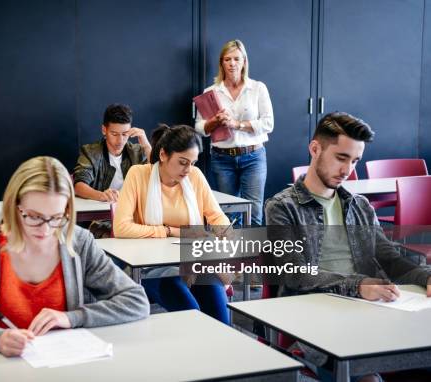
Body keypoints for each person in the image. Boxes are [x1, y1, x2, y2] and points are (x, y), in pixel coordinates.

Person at [0, 156, 149, 357]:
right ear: (14, 205)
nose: (45, 229)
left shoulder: (78, 241)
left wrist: (73, 317)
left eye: (56, 217)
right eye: (33, 217)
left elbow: (136, 301)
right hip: (0, 366)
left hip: (65, 362)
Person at [265, 112, 431, 382]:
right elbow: (295, 273)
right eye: (341, 158)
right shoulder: (282, 207)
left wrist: (425, 277)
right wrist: (357, 285)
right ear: (315, 148)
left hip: (372, 310)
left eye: (355, 161)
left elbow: (389, 257)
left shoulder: (360, 206)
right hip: (314, 319)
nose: (348, 170)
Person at [113, 124, 232, 325]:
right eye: (183, 162)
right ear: (163, 155)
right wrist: (171, 231)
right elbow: (121, 227)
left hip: (194, 263)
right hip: (152, 266)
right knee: (193, 315)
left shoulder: (194, 176)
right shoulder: (138, 174)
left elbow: (219, 219)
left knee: (221, 320)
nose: (188, 170)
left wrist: (220, 234)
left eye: (193, 163)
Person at [195, 39, 273, 226]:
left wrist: (236, 124)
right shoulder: (211, 92)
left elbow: (268, 124)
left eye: (237, 59)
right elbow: (199, 127)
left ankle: (253, 256)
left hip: (253, 156)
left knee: (254, 213)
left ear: (244, 61)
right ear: (221, 63)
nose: (232, 64)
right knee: (228, 215)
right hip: (222, 159)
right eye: (227, 59)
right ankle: (233, 256)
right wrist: (214, 122)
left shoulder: (258, 88)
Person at [73, 103, 151, 203]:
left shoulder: (137, 152)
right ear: (104, 130)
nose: (120, 140)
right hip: (100, 213)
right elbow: (79, 186)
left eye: (124, 134)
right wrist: (101, 196)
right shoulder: (90, 152)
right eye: (114, 134)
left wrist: (147, 146)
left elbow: (158, 176)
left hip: (132, 210)